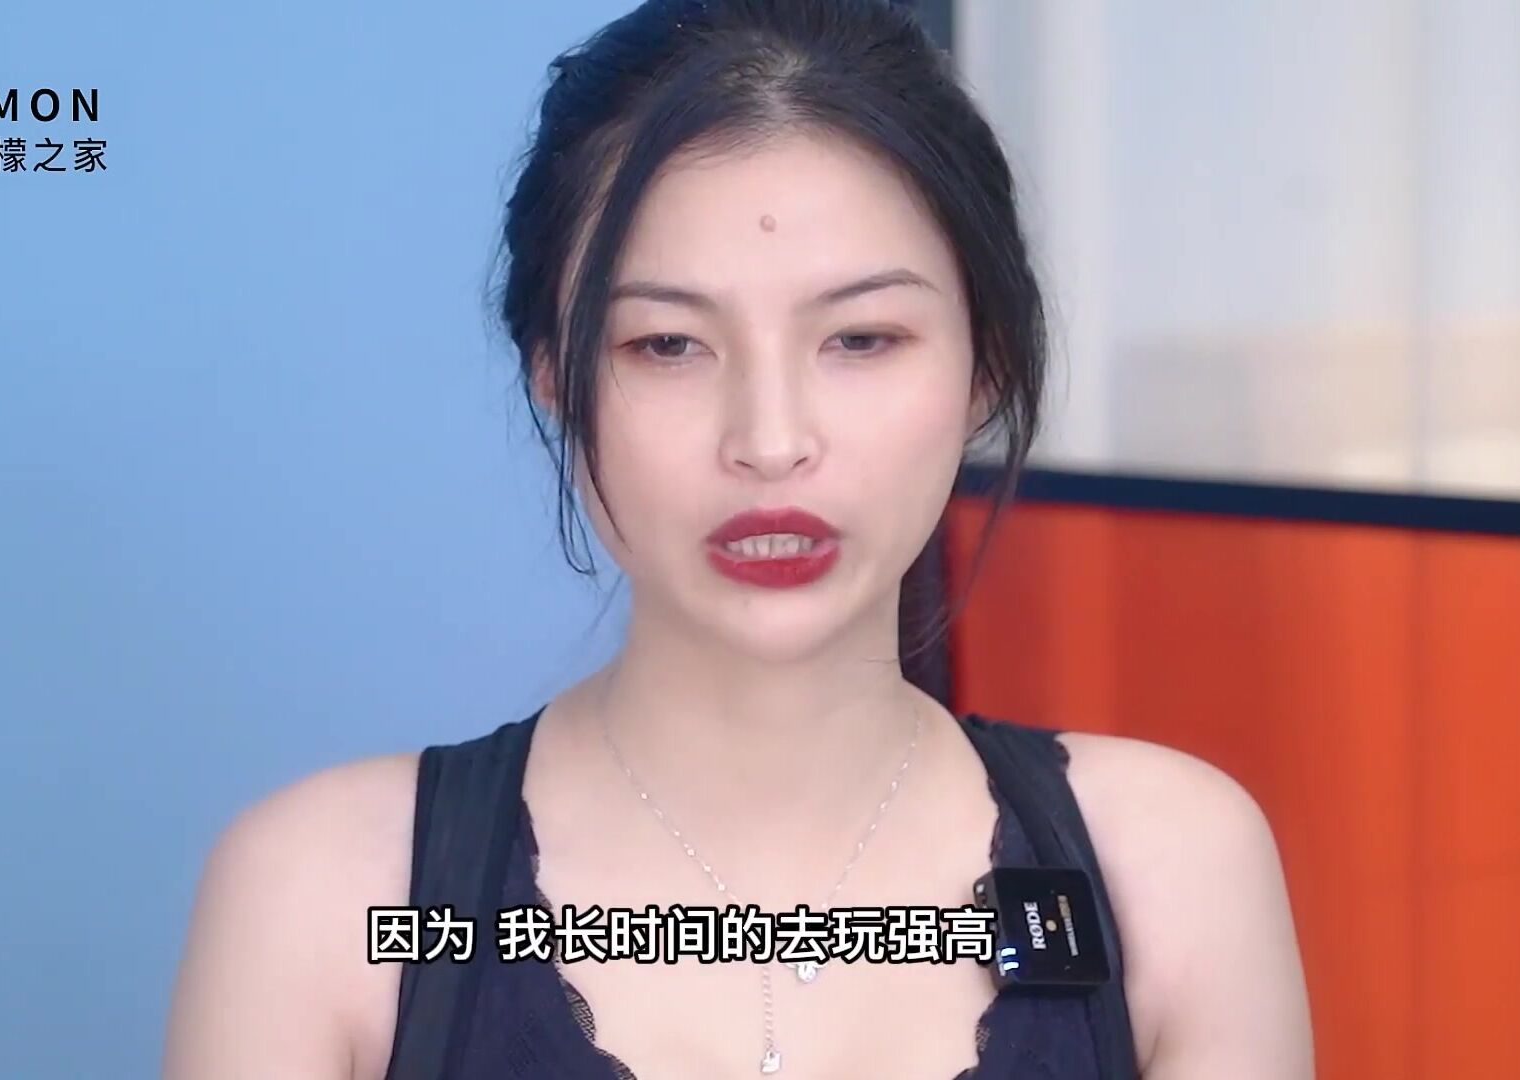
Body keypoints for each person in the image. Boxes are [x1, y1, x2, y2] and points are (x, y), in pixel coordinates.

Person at [161, 1, 1314, 1077]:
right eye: (667, 345)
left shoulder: (1167, 871)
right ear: (554, 375)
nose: (769, 441)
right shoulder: (327, 902)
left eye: (861, 339)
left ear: (985, 366)